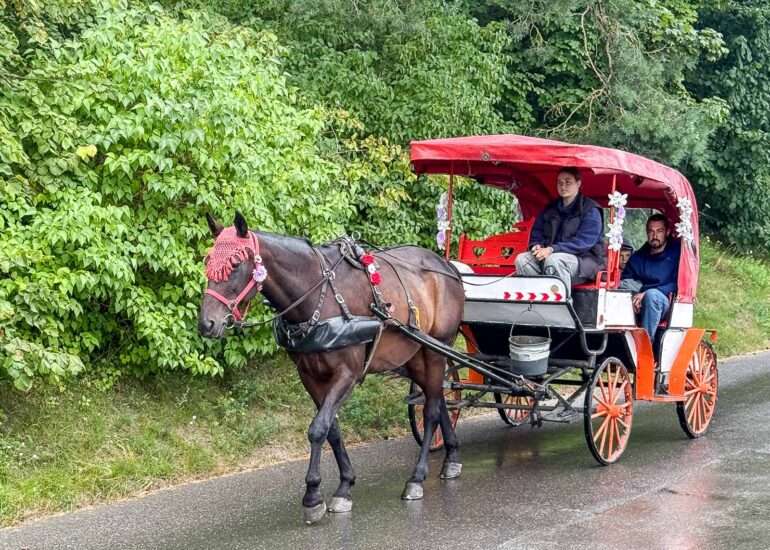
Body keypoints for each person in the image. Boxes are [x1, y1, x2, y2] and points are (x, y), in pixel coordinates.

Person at [515, 167, 605, 291]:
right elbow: (537, 232)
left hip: (584, 261)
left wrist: (553, 249)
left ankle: (561, 303)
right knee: (522, 260)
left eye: (568, 182)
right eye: (560, 182)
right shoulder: (550, 208)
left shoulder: (591, 210)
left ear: (578, 183)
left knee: (555, 261)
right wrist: (536, 245)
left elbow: (584, 242)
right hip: (549, 256)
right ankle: (536, 301)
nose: (563, 186)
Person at [620, 213, 681, 345]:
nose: (655, 235)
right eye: (651, 231)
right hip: (639, 299)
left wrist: (647, 293)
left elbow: (678, 283)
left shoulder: (677, 253)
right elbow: (627, 279)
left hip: (666, 301)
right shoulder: (638, 257)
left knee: (652, 296)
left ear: (667, 232)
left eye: (659, 231)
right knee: (617, 292)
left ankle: (645, 345)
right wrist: (634, 296)